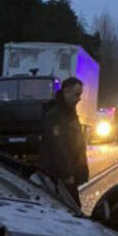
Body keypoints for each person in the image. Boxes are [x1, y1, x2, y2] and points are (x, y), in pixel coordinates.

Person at [39, 77, 89, 205]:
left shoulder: (69, 112)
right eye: (77, 94)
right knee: (72, 209)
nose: (79, 98)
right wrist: (67, 175)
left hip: (69, 175)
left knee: (73, 208)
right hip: (60, 177)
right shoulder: (55, 115)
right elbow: (58, 147)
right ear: (66, 92)